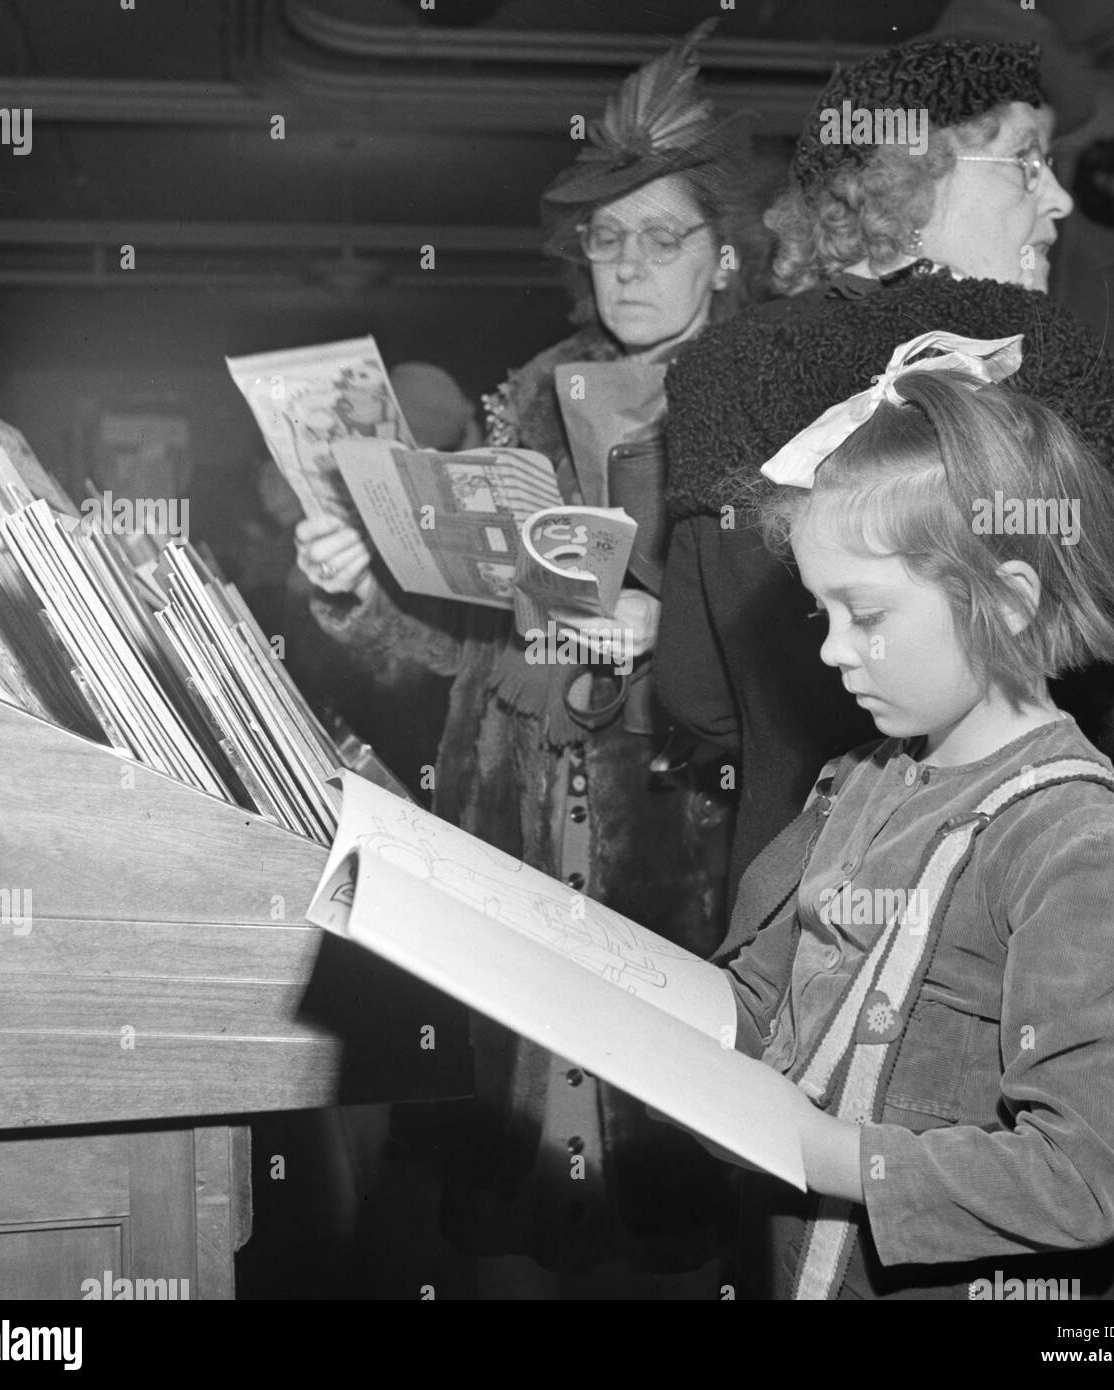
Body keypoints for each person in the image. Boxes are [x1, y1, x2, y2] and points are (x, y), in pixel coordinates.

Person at [656, 35, 1114, 1300]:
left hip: (797, 988)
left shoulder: (712, 375)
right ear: (917, 174)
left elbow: (692, 701)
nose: (1057, 200)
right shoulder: (1037, 364)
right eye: (1024, 163)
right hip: (994, 1003)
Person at [297, 23, 772, 1289]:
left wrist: (673, 627)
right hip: (511, 830)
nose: (625, 266)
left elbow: (822, 642)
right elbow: (448, 650)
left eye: (658, 238)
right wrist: (353, 584)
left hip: (673, 837)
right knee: (508, 1214)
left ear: (723, 255)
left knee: (665, 1190)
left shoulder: (768, 397)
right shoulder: (532, 390)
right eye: (604, 241)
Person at [693, 338, 1114, 1299]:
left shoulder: (1082, 852)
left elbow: (1075, 1184)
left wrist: (823, 1153)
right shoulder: (860, 780)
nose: (834, 652)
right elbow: (762, 996)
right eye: (817, 614)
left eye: (864, 614)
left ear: (1004, 602)